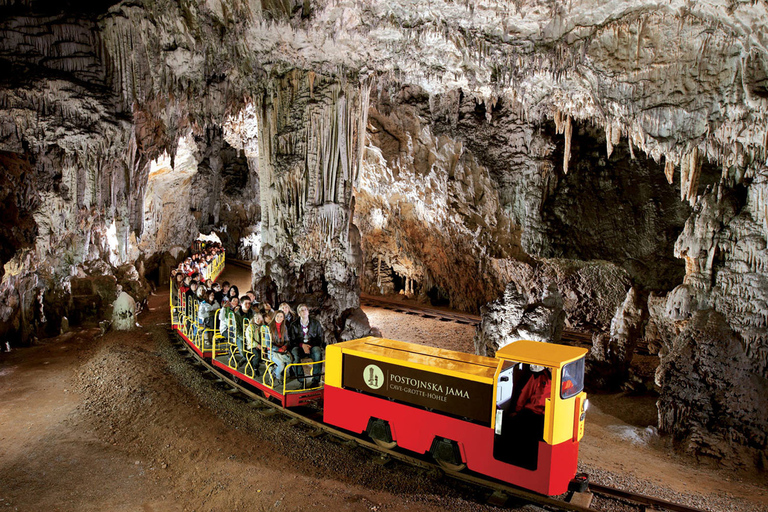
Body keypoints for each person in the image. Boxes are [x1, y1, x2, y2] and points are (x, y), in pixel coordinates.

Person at [289, 304, 324, 387]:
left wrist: (310, 346)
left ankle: (316, 380)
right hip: (299, 347)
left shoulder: (316, 323)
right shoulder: (294, 325)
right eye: (301, 310)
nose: (304, 311)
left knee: (317, 352)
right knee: (295, 354)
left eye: (305, 309)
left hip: (312, 346)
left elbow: (320, 338)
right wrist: (302, 345)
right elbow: (292, 340)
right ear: (299, 314)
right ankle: (302, 380)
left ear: (308, 312)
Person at [268, 310, 292, 386]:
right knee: (281, 364)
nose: (279, 318)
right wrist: (278, 349)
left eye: (281, 316)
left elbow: (287, 340)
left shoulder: (284, 327)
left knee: (289, 362)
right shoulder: (269, 327)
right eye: (277, 316)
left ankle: (275, 370)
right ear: (274, 316)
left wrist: (285, 346)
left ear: (283, 318)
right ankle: (277, 376)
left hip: (282, 351)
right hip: (272, 352)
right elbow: (267, 343)